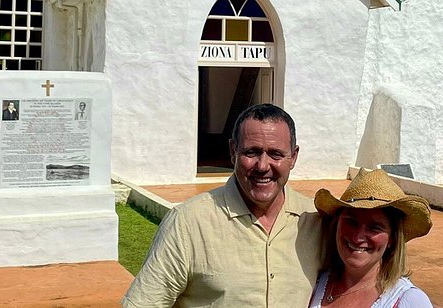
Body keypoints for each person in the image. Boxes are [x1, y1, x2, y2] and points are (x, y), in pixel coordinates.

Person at [122, 104, 324, 307]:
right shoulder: (188, 223)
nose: (262, 166)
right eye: (252, 152)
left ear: (294, 157)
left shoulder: (315, 221)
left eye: (276, 154)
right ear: (232, 151)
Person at [310, 169, 433, 308]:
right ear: (336, 224)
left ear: (392, 238)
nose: (358, 237)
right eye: (351, 222)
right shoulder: (313, 284)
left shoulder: (410, 301)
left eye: (374, 228)